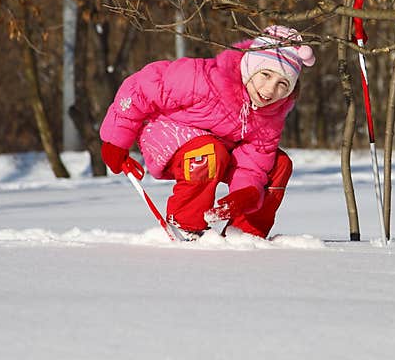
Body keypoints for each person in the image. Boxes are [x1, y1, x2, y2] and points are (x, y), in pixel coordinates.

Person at [99, 25, 315, 238]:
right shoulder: (203, 78)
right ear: (250, 66)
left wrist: (246, 193)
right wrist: (115, 141)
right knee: (210, 151)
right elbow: (140, 87)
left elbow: (254, 161)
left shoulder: (271, 114)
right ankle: (186, 225)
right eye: (265, 75)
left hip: (219, 148)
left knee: (278, 165)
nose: (270, 90)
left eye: (283, 84)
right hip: (167, 132)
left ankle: (244, 234)